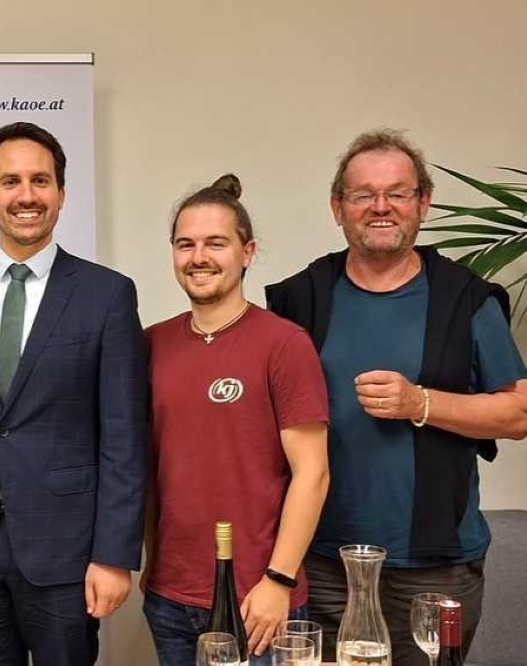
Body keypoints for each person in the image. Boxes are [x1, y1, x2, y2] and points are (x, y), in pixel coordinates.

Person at [267, 129, 527, 665]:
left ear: (423, 203)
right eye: (362, 195)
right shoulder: (299, 298)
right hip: (320, 561)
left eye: (398, 193)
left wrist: (421, 404)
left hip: (436, 566)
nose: (380, 207)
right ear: (338, 208)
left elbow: (518, 411)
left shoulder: (468, 300)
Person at [0, 121, 147, 666]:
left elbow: (124, 434)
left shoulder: (107, 295)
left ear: (61, 194)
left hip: (66, 553)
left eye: (40, 181)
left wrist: (114, 556)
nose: (26, 196)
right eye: (11, 182)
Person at [142, 174, 330, 666]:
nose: (198, 257)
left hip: (257, 599)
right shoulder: (150, 344)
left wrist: (279, 581)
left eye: (215, 243)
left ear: (247, 252)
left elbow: (313, 473)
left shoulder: (284, 345)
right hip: (169, 595)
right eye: (186, 244)